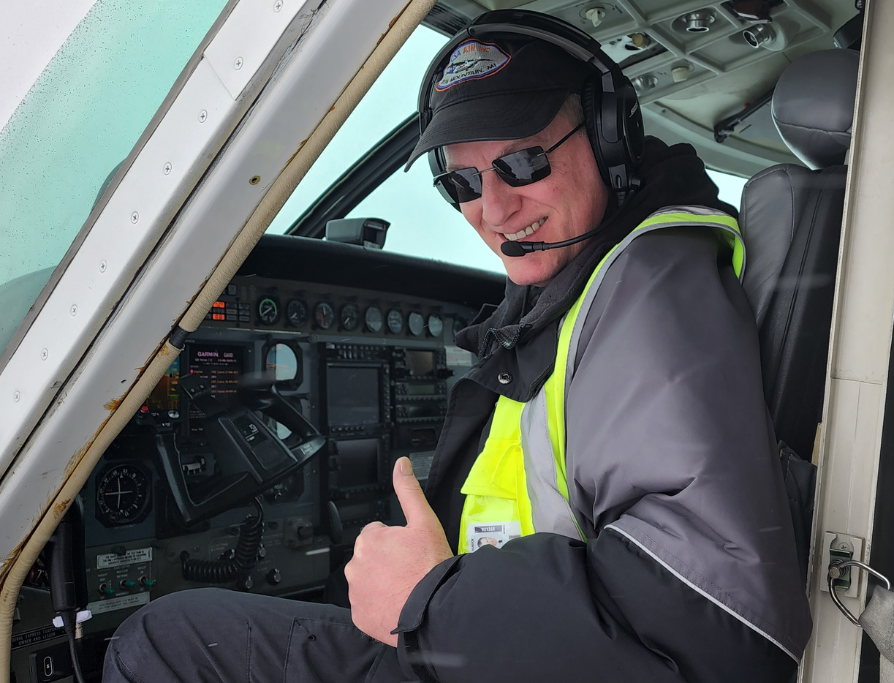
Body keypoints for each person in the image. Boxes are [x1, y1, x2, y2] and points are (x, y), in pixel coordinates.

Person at [103, 10, 811, 683]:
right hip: (498, 645)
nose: (493, 209)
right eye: (460, 182)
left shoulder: (651, 290)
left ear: (608, 136)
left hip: (484, 644)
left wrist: (431, 601)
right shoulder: (584, 286)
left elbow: (717, 627)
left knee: (160, 638)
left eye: (525, 161)